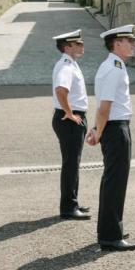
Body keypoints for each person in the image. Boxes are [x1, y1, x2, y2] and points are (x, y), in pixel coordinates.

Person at [87, 24, 135, 251]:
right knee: (114, 182)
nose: (133, 44)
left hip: (115, 126)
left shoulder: (113, 65)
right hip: (115, 129)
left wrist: (97, 128)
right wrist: (97, 131)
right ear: (117, 43)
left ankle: (112, 229)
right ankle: (110, 236)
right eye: (129, 40)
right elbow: (105, 106)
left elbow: (103, 106)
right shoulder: (114, 68)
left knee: (115, 181)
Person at [51, 29, 90, 221]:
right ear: (67, 47)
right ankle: (68, 207)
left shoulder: (71, 64)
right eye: (78, 43)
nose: (82, 46)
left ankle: (72, 202)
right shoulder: (66, 65)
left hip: (71, 118)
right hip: (69, 120)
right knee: (71, 163)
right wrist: (69, 113)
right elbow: (60, 90)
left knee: (73, 162)